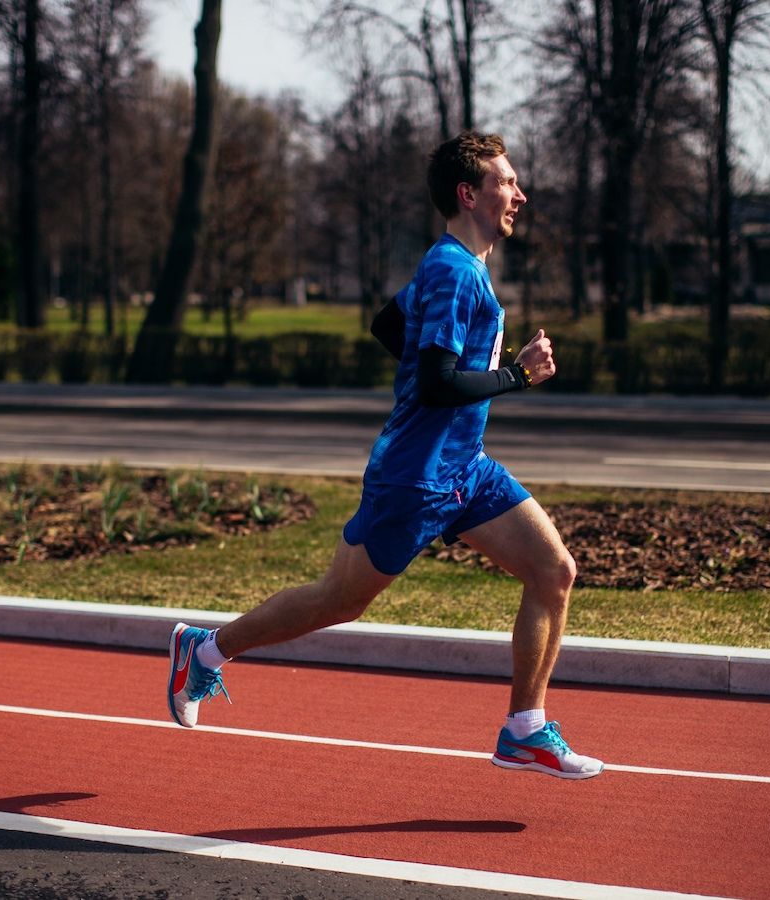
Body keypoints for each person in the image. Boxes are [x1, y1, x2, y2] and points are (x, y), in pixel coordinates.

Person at [166, 131, 602, 780]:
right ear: (468, 194)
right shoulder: (455, 271)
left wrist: (448, 394)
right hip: (413, 480)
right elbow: (434, 381)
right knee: (337, 602)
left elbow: (387, 327)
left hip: (464, 469)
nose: (519, 194)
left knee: (554, 571)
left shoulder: (454, 266)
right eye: (506, 183)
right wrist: (516, 375)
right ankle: (205, 651)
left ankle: (524, 729)